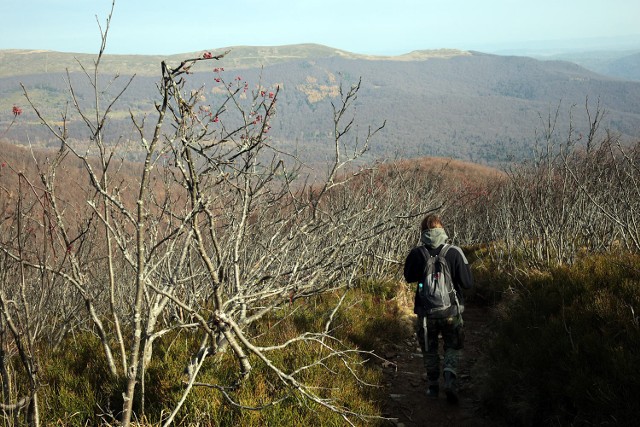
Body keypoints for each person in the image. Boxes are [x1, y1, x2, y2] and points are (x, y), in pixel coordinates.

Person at [403, 214, 473, 403]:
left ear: (423, 231)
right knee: (454, 346)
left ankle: (433, 387)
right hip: (451, 312)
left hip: (426, 314)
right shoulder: (455, 252)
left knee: (429, 349)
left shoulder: (417, 253)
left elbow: (408, 277)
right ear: (442, 228)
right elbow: (467, 282)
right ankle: (449, 378)